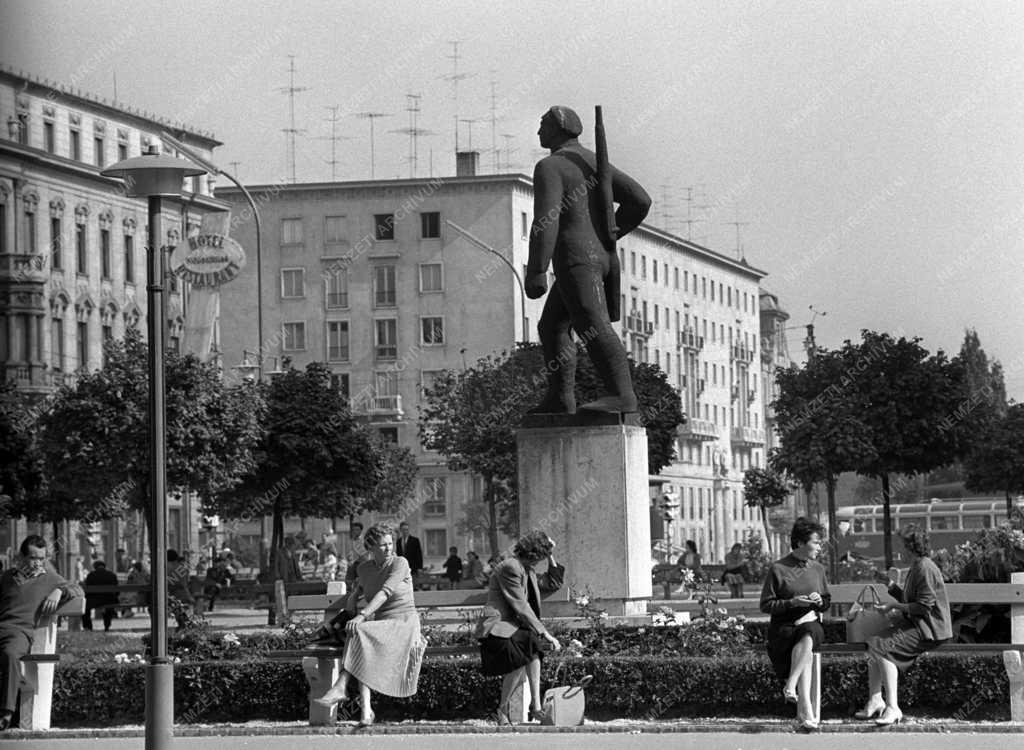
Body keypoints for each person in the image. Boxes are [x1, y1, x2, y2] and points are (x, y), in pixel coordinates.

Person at [525, 105, 651, 414]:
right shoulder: (593, 162)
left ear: (559, 127)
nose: (539, 131)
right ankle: (560, 398)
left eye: (543, 124)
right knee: (552, 326)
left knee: (592, 325)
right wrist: (609, 234)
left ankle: (623, 395)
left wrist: (537, 269)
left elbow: (547, 219)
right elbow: (640, 200)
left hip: (575, 258)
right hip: (601, 256)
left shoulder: (551, 167)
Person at [313, 523, 424, 726]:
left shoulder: (400, 563)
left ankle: (341, 687)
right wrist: (355, 595)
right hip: (381, 626)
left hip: (404, 623)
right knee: (361, 640)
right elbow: (353, 604)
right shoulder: (364, 569)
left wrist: (362, 615)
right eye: (383, 545)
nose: (389, 548)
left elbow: (384, 593)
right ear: (371, 548)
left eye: (390, 543)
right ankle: (366, 711)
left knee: (360, 631)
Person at [857, 524, 952, 726]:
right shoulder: (918, 566)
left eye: (901, 546)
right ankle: (875, 700)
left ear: (911, 547)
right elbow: (911, 600)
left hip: (929, 630)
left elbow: (923, 607)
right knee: (874, 642)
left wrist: (893, 605)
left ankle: (893, 707)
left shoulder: (925, 568)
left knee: (882, 647)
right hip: (920, 626)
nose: (899, 551)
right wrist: (889, 585)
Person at [475, 530, 564, 725]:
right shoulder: (510, 567)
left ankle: (537, 707)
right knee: (521, 654)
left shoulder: (528, 570)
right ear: (533, 554)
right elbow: (521, 605)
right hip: (496, 629)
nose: (540, 561)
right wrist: (546, 634)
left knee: (531, 645)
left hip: (513, 629)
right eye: (541, 556)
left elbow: (553, 582)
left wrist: (550, 554)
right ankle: (503, 708)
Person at [0, 535, 83, 730]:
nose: (37, 563)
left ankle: (6, 712)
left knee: (10, 655)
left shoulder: (50, 578)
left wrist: (58, 591)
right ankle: (14, 688)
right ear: (22, 556)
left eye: (41, 558)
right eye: (33, 558)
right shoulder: (7, 577)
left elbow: (77, 589)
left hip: (19, 633)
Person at [760, 517, 831, 732]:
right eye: (816, 542)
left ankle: (791, 687)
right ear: (800, 543)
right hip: (785, 629)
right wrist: (793, 603)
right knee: (805, 651)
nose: (820, 547)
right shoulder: (778, 568)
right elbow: (766, 605)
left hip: (811, 625)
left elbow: (827, 601)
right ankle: (806, 712)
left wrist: (819, 602)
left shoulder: (817, 569)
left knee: (809, 632)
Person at [82, 560, 119, 631]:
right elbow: (117, 591)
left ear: (95, 567)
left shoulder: (91, 575)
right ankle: (107, 625)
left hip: (94, 601)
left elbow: (87, 590)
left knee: (85, 607)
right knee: (109, 607)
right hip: (110, 600)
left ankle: (88, 626)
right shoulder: (112, 575)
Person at [345, 522, 368, 590]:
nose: (355, 531)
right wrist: (349, 558)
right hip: (354, 562)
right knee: (349, 580)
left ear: (361, 530)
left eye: (357, 529)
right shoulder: (352, 540)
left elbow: (364, 552)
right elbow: (350, 552)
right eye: (354, 530)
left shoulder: (365, 540)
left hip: (363, 562)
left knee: (361, 580)